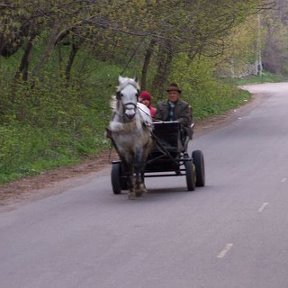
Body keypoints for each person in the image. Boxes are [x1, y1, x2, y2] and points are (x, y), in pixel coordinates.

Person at [155, 83, 193, 149]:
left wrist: (175, 123)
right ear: (168, 95)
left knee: (175, 131)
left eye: (174, 93)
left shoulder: (184, 105)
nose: (172, 95)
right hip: (163, 128)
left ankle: (174, 148)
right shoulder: (160, 105)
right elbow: (157, 118)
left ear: (178, 95)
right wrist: (161, 123)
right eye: (170, 93)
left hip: (179, 128)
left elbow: (186, 119)